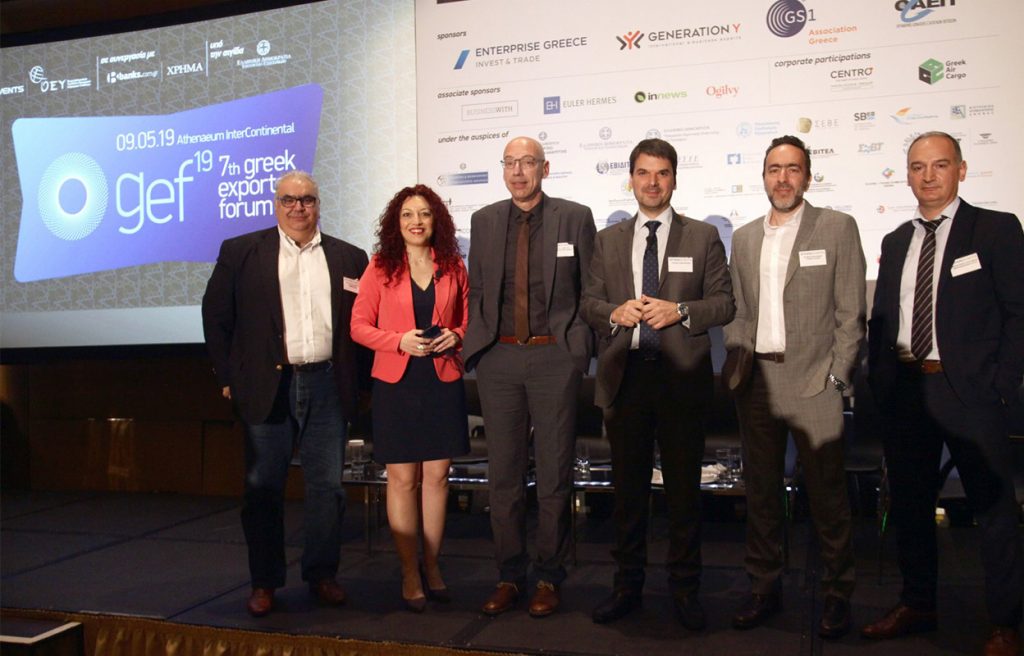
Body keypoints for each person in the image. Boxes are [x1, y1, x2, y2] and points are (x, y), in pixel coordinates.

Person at [863, 131, 1024, 656]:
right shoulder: (895, 241)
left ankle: (1005, 623)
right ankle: (918, 604)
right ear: (907, 175)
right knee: (910, 508)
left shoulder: (995, 229)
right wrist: (882, 383)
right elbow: (882, 321)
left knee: (993, 511)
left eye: (939, 165)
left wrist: (1001, 385)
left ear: (961, 169)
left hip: (971, 394)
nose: (928, 176)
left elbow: (1019, 313)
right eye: (917, 167)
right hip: (907, 392)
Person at [581, 138, 735, 629]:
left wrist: (681, 310)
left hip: (681, 378)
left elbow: (724, 303)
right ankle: (627, 587)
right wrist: (615, 312)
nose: (652, 182)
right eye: (644, 173)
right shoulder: (607, 240)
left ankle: (685, 590)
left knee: (684, 494)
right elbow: (588, 303)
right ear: (630, 179)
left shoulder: (703, 237)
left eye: (662, 173)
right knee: (627, 495)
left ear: (674, 179)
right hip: (625, 378)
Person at [201, 170, 369, 617]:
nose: (298, 207)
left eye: (307, 199)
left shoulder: (350, 257)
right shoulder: (241, 252)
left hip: (328, 384)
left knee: (328, 489)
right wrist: (226, 376)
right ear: (275, 205)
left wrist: (361, 384)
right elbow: (216, 316)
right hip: (267, 386)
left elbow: (363, 326)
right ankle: (265, 582)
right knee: (263, 489)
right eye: (289, 200)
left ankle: (321, 574)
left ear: (319, 205)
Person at [722, 135, 864, 638]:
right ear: (763, 176)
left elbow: (851, 313)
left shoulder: (836, 227)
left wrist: (837, 376)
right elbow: (739, 311)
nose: (782, 179)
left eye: (792, 169)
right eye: (774, 169)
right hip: (758, 382)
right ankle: (764, 587)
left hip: (815, 382)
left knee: (827, 497)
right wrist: (738, 360)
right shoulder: (744, 238)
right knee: (761, 494)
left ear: (807, 175)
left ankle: (837, 593)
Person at [461, 136, 596, 618]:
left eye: (528, 163)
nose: (518, 172)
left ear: (545, 168)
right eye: (510, 163)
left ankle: (548, 576)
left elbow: (590, 288)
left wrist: (578, 345)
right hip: (498, 358)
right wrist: (478, 345)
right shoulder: (484, 220)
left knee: (555, 473)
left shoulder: (574, 217)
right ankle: (509, 575)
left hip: (554, 355)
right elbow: (479, 288)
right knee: (504, 476)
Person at [350, 184, 470, 612]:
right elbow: (358, 326)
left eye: (423, 214)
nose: (415, 222)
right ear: (395, 223)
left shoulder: (453, 265)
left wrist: (456, 335)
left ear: (436, 220)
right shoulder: (380, 267)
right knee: (403, 481)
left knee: (437, 479)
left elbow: (470, 319)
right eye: (406, 215)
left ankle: (433, 566)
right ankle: (408, 572)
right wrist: (398, 340)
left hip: (442, 380)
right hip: (396, 382)